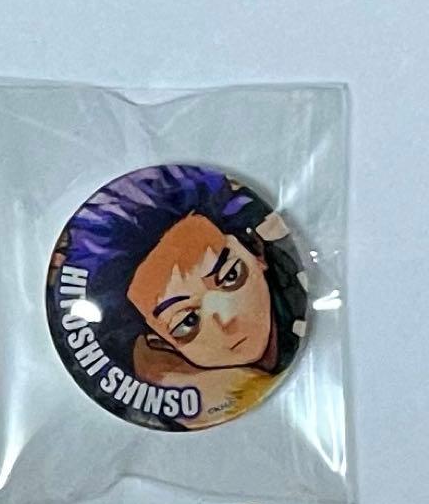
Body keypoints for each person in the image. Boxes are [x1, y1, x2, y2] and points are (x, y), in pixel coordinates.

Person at [59, 164, 307, 428]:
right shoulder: (163, 395)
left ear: (255, 252)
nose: (226, 318)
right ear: (161, 342)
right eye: (188, 321)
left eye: (230, 275)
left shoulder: (296, 283)